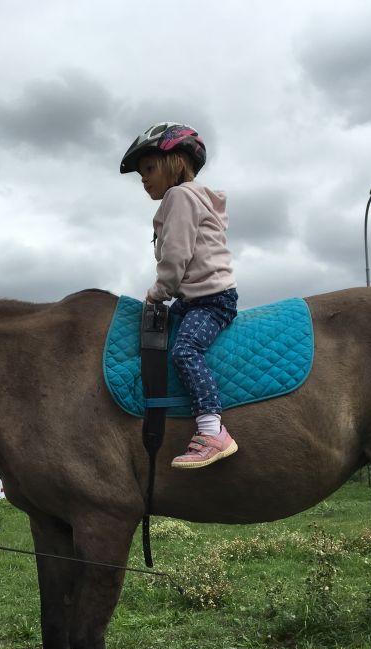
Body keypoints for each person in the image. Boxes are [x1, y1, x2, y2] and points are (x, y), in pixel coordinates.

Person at [121, 122, 239, 469]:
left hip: (211, 300)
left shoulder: (180, 197)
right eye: (141, 174)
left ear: (176, 162)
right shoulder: (189, 198)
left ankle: (212, 431)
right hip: (193, 299)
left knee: (185, 351)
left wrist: (158, 293)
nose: (144, 179)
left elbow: (175, 256)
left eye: (149, 169)